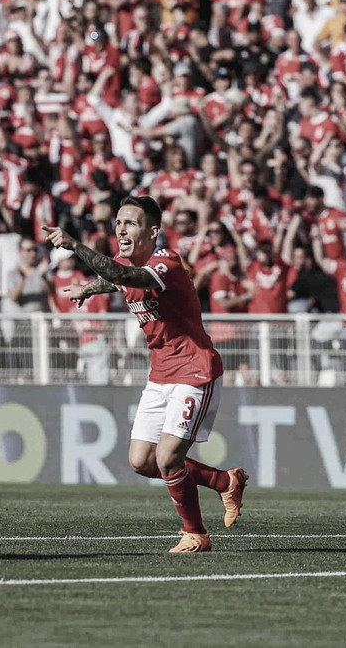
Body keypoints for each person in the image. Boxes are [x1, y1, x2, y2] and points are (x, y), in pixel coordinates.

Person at [43, 196, 248, 554]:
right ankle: (224, 480)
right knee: (141, 461)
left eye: (131, 223)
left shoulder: (166, 261)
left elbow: (126, 276)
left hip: (194, 370)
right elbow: (117, 279)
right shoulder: (126, 264)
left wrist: (75, 245)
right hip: (161, 374)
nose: (121, 228)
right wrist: (88, 289)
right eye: (118, 222)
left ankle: (196, 534)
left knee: (168, 457)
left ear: (153, 232)